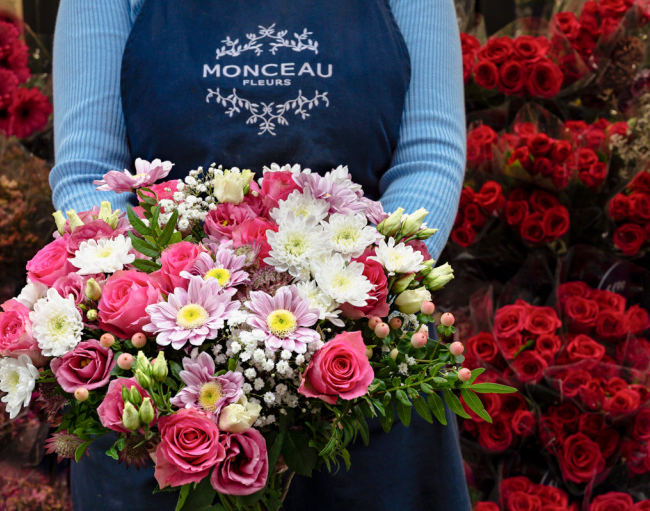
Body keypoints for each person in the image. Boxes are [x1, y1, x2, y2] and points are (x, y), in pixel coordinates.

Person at [50, 0, 470, 509]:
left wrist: (356, 293)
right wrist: (189, 318)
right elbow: (90, 173)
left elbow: (429, 155)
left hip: (362, 360)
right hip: (164, 375)